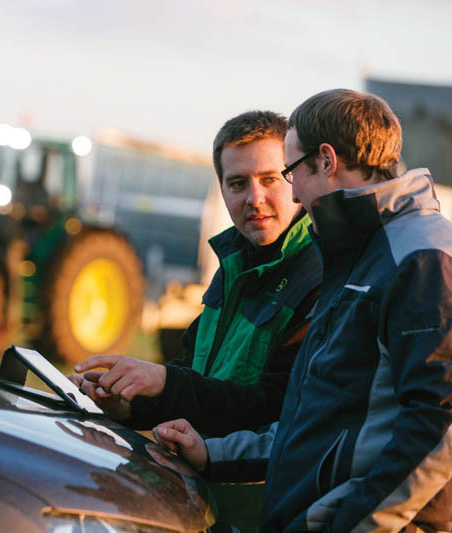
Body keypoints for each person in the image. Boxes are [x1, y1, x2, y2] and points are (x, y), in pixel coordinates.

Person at [154, 89, 452, 532]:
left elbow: (445, 429)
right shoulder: (356, 253)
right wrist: (214, 454)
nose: (294, 194)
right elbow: (319, 420)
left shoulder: (426, 256)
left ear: (327, 161)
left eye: (290, 172)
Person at [70, 110, 321, 437]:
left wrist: (164, 381)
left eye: (269, 179)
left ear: (294, 179)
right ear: (222, 189)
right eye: (237, 183)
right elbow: (199, 375)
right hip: (201, 478)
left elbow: (276, 406)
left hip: (249, 486)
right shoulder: (233, 265)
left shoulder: (317, 277)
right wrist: (126, 403)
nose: (254, 199)